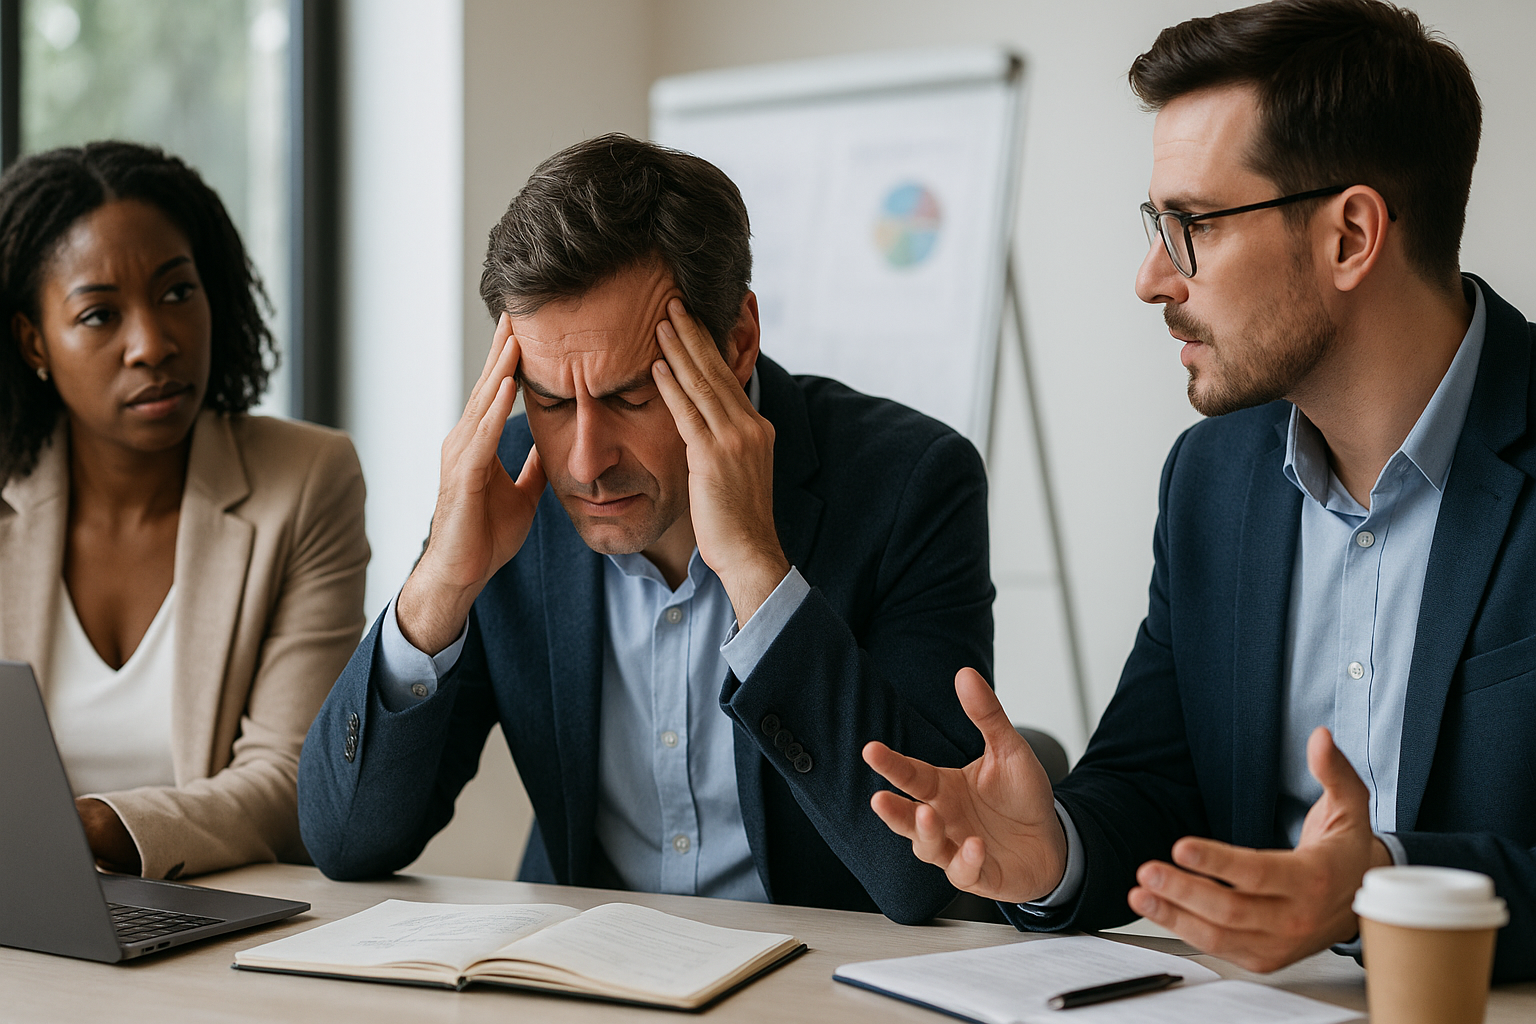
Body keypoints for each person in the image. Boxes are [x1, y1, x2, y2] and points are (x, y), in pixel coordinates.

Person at [863, 0, 1536, 982]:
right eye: (1156, 225)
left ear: (1351, 235)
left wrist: (1379, 886)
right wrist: (1055, 849)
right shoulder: (1210, 479)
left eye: (1191, 226)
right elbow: (1155, 782)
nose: (1148, 278)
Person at [297, 134, 993, 923]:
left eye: (630, 398)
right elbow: (344, 841)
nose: (586, 463)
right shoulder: (507, 482)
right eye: (552, 401)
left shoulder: (911, 481)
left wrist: (760, 577)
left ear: (735, 344)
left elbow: (928, 873)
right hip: (580, 979)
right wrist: (438, 593)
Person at [0, 141, 369, 881]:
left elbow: (291, 777)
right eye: (100, 315)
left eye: (177, 294)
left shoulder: (303, 481)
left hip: (216, 920)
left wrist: (99, 826)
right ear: (35, 341)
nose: (154, 343)